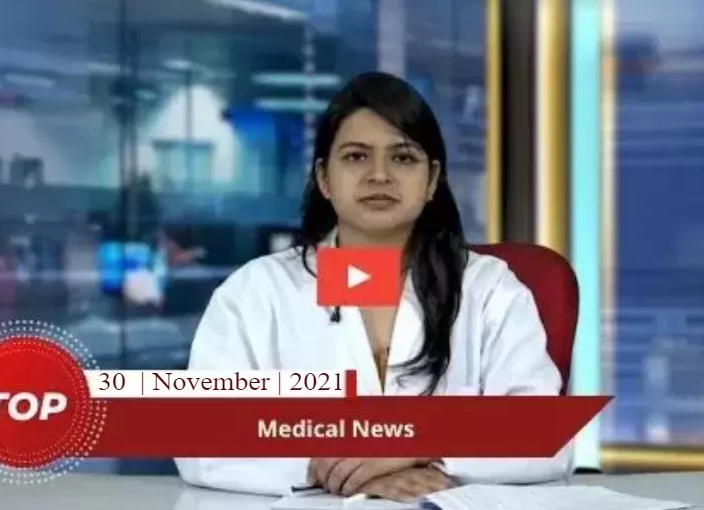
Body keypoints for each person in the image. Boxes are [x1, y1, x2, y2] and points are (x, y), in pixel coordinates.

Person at [174, 71, 571, 500]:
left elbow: (547, 433)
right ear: (324, 178)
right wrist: (333, 467)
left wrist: (423, 444)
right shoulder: (256, 291)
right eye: (356, 156)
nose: (379, 175)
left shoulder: (491, 289)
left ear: (432, 180)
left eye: (403, 157)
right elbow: (199, 433)